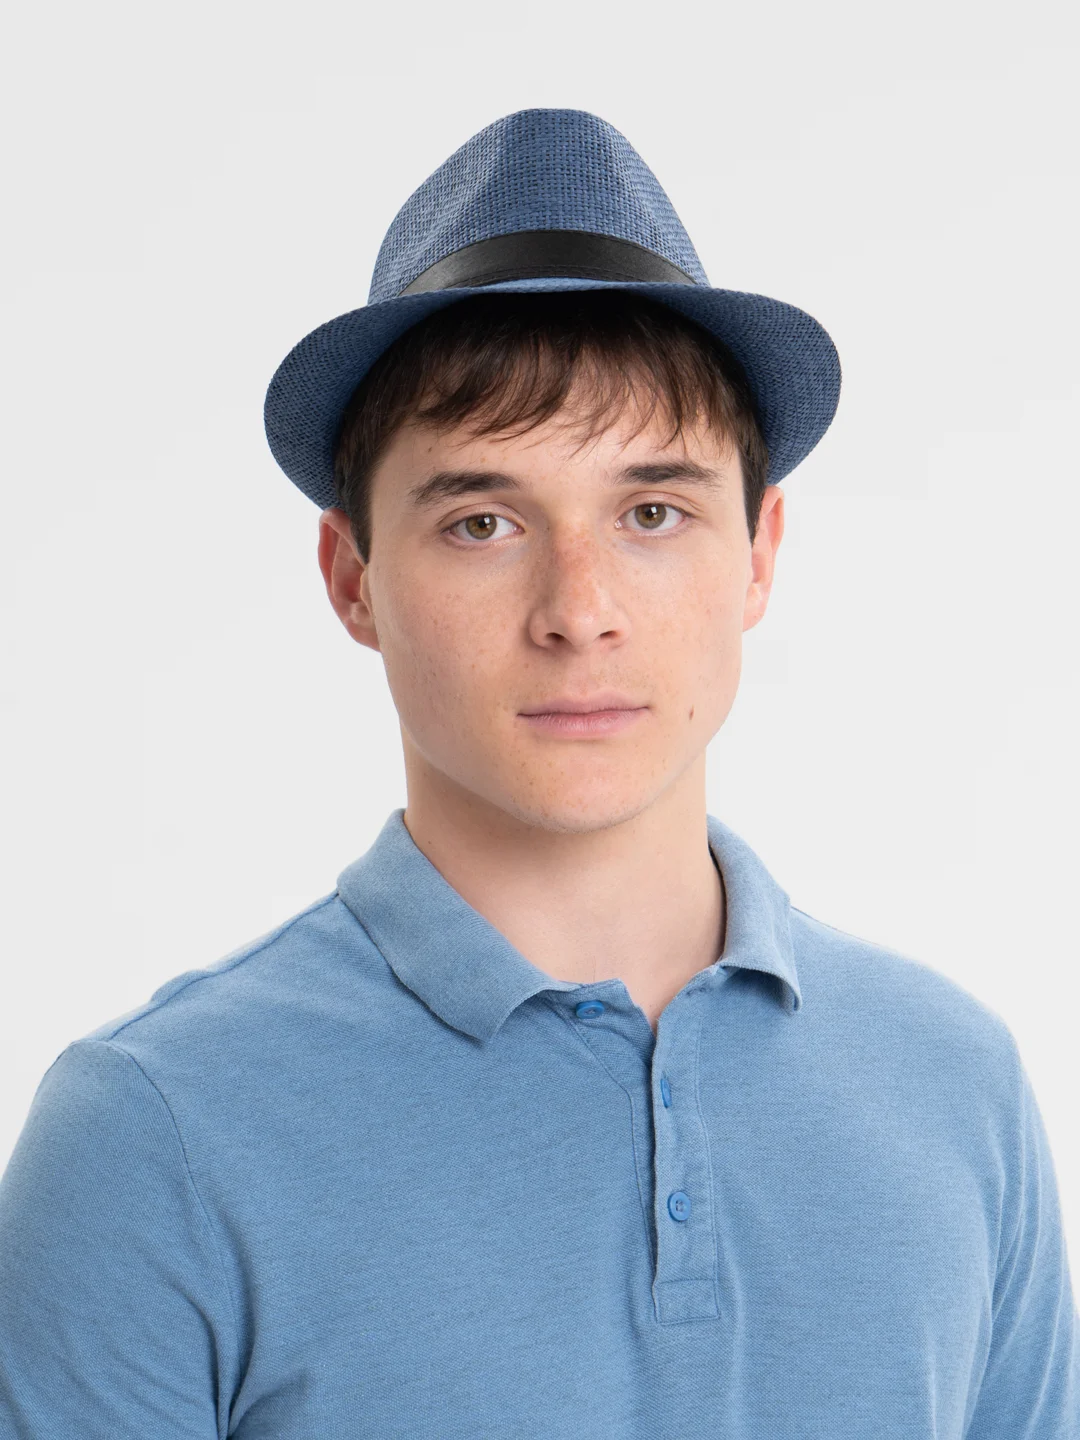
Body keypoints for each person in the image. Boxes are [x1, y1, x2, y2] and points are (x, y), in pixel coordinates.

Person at [0, 108, 1076, 1440]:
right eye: (483, 522)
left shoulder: (954, 1082)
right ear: (352, 578)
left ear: (758, 554)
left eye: (652, 513)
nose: (580, 611)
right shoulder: (154, 1133)